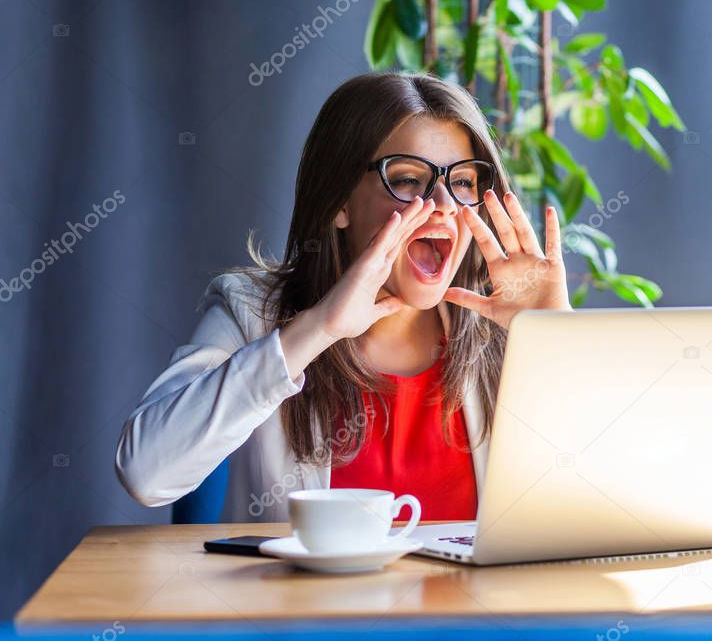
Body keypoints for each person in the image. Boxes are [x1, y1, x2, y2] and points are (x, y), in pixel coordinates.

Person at [115, 72, 571, 522]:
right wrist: (318, 328)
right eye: (409, 180)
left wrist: (557, 342)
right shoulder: (250, 310)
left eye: (464, 182)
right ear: (340, 203)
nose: (445, 204)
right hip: (303, 600)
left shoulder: (504, 325)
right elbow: (146, 473)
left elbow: (606, 507)